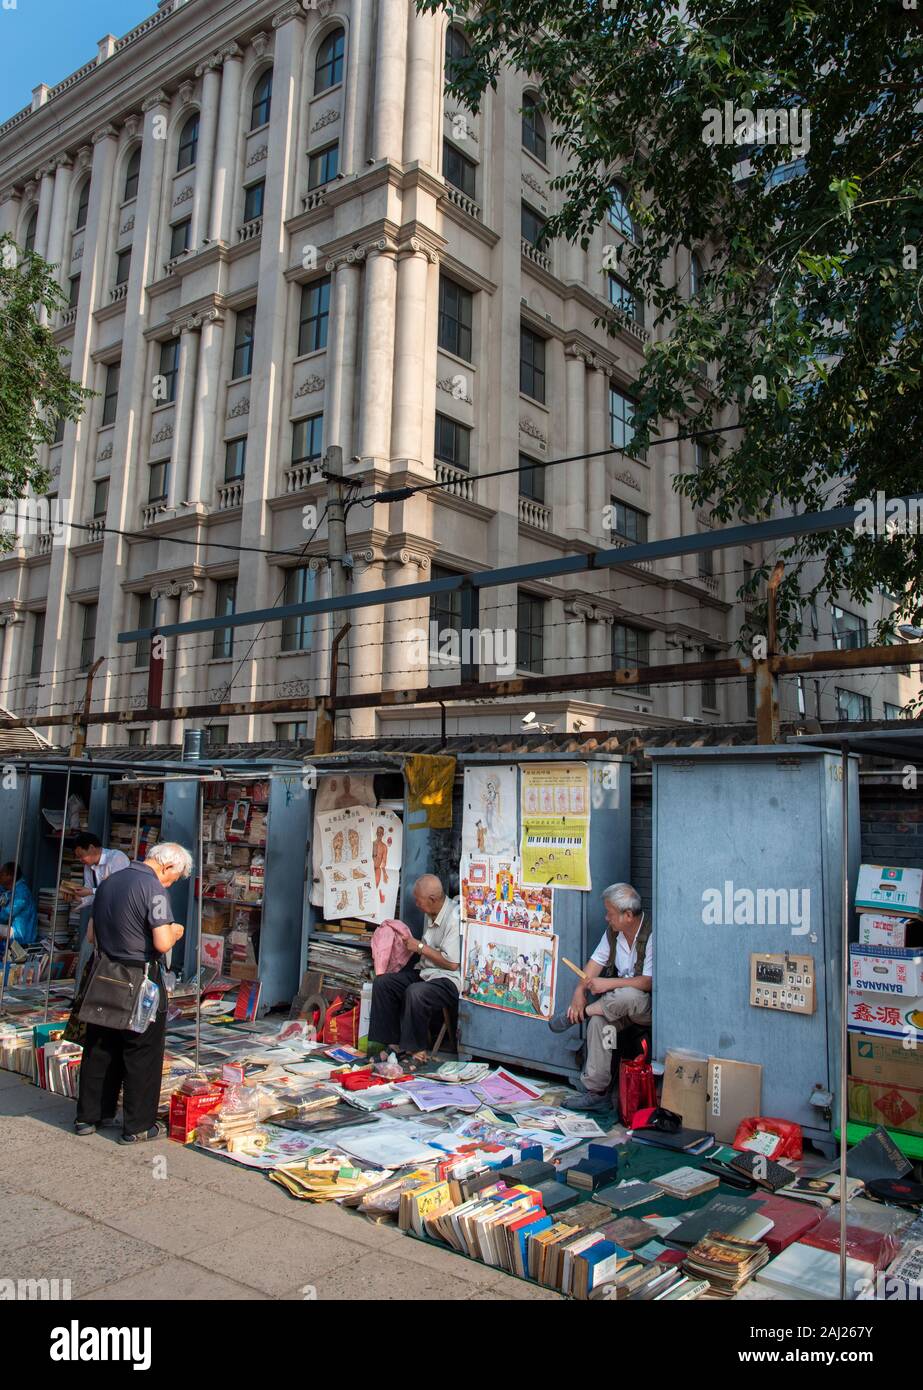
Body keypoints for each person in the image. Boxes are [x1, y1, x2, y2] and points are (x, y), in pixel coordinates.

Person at [75, 843, 192, 1143]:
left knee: (101, 1044)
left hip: (104, 973)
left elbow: (91, 934)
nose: (171, 883)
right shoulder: (153, 889)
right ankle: (138, 1125)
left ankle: (89, 1117)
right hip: (140, 978)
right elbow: (162, 943)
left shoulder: (109, 882)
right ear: (167, 867)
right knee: (142, 1050)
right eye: (174, 878)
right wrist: (176, 932)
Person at [548, 882, 653, 1112]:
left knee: (626, 995)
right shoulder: (614, 934)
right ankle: (597, 1091)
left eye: (610, 913)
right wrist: (579, 992)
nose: (607, 918)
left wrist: (605, 985)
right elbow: (594, 965)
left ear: (628, 915)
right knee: (599, 1023)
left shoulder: (651, 933)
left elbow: (647, 982)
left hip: (644, 1007)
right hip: (614, 1008)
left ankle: (583, 1014)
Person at [368, 874, 461, 1062]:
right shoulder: (431, 911)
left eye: (419, 901)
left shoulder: (453, 917)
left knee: (416, 992)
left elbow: (452, 963)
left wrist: (419, 947)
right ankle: (391, 1044)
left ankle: (416, 1050)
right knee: (384, 983)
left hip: (448, 979)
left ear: (432, 899)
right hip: (426, 973)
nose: (417, 905)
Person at [0, 863, 38, 971]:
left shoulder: (21, 892)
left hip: (21, 934)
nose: (0, 875)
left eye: (2, 873)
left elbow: (6, 913)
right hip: (13, 931)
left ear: (10, 876)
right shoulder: (10, 889)